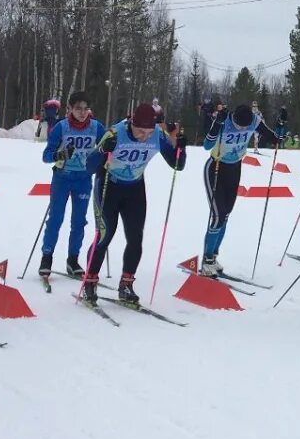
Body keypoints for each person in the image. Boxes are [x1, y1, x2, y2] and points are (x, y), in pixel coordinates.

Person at [80, 103, 186, 305]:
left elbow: (177, 165)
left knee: (135, 238)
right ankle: (90, 282)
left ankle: (126, 284)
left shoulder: (157, 135)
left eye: (148, 132)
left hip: (135, 189)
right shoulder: (115, 133)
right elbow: (89, 167)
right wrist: (103, 149)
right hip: (108, 185)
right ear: (131, 123)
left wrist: (181, 146)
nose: (144, 137)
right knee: (104, 236)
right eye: (139, 132)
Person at [200, 104, 280, 276]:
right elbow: (207, 145)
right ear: (233, 118)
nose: (243, 128)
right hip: (215, 168)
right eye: (239, 126)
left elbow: (268, 133)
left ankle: (213, 257)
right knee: (217, 216)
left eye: (246, 126)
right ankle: (206, 260)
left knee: (226, 216)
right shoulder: (224, 121)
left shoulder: (254, 121)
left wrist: (277, 139)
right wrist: (216, 125)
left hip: (234, 169)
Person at [38, 92, 106, 279]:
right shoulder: (61, 127)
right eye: (78, 109)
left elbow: (107, 147)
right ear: (69, 109)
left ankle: (73, 259)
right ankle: (47, 257)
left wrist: (104, 160)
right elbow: (46, 155)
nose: (82, 113)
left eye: (86, 109)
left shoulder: (96, 127)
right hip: (62, 178)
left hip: (83, 180)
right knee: (56, 219)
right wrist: (59, 155)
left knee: (79, 221)